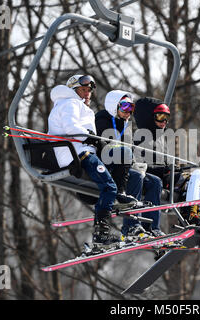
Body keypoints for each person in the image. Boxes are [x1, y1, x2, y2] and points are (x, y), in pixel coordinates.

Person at [47, 74, 132, 247]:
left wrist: (93, 140)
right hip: (77, 155)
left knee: (116, 166)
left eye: (89, 91)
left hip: (80, 152)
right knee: (109, 186)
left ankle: (116, 202)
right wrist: (90, 137)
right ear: (73, 90)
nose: (87, 94)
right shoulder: (70, 103)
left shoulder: (73, 105)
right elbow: (71, 127)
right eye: (82, 90)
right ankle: (101, 234)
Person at [95, 90, 165, 238]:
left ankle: (151, 227)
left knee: (155, 182)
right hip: (108, 167)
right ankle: (131, 226)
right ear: (114, 106)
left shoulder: (125, 125)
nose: (129, 112)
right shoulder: (102, 120)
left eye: (131, 108)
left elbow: (130, 149)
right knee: (136, 177)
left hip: (124, 166)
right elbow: (105, 145)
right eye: (125, 107)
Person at [133, 97, 200, 226]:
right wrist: (165, 169)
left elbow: (163, 161)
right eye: (160, 116)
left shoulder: (160, 138)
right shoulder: (140, 137)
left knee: (199, 182)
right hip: (156, 177)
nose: (164, 121)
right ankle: (192, 214)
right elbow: (140, 165)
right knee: (195, 174)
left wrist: (173, 167)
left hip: (166, 176)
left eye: (166, 117)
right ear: (148, 117)